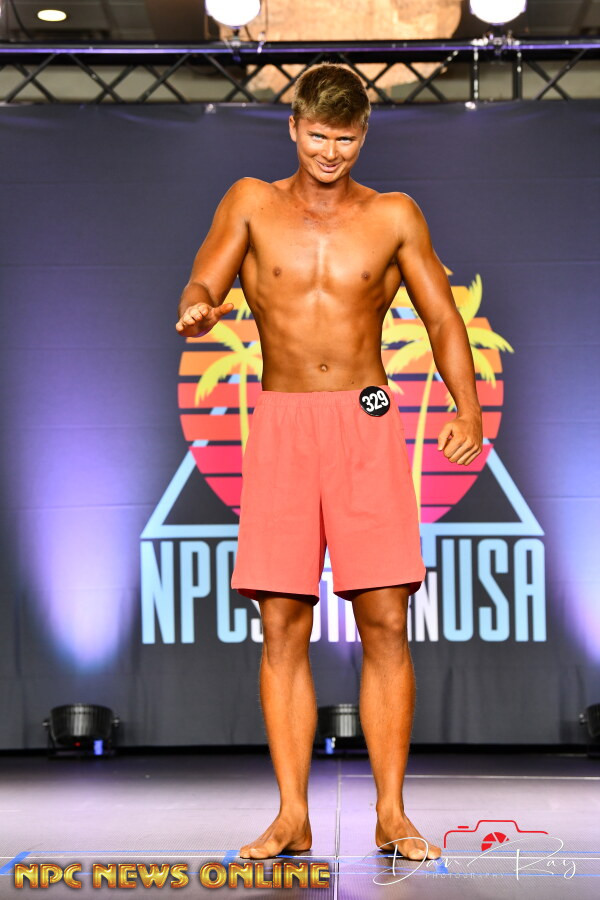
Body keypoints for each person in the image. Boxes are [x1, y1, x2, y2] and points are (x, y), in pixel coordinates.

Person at [175, 63, 482, 862]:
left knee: (386, 619)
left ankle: (392, 814)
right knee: (282, 624)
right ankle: (291, 817)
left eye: (345, 138)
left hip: (365, 418)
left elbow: (441, 316)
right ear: (293, 127)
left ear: (363, 134)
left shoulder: (393, 216)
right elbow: (205, 275)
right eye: (317, 135)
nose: (329, 151)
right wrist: (198, 306)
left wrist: (468, 405)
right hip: (282, 422)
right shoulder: (251, 201)